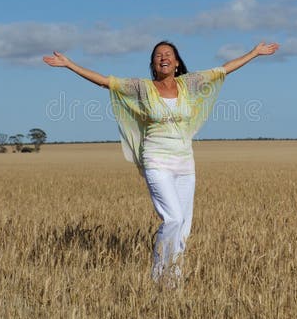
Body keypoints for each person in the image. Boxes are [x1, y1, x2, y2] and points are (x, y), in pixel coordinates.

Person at [43, 40, 279, 283]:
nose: (163, 57)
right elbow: (105, 81)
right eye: (158, 55)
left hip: (185, 164)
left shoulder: (190, 83)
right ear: (153, 64)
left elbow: (223, 69)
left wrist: (254, 53)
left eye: (168, 54)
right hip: (156, 160)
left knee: (184, 228)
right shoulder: (142, 88)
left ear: (177, 63)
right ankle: (158, 275)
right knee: (173, 218)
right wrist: (69, 64)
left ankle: (173, 281)